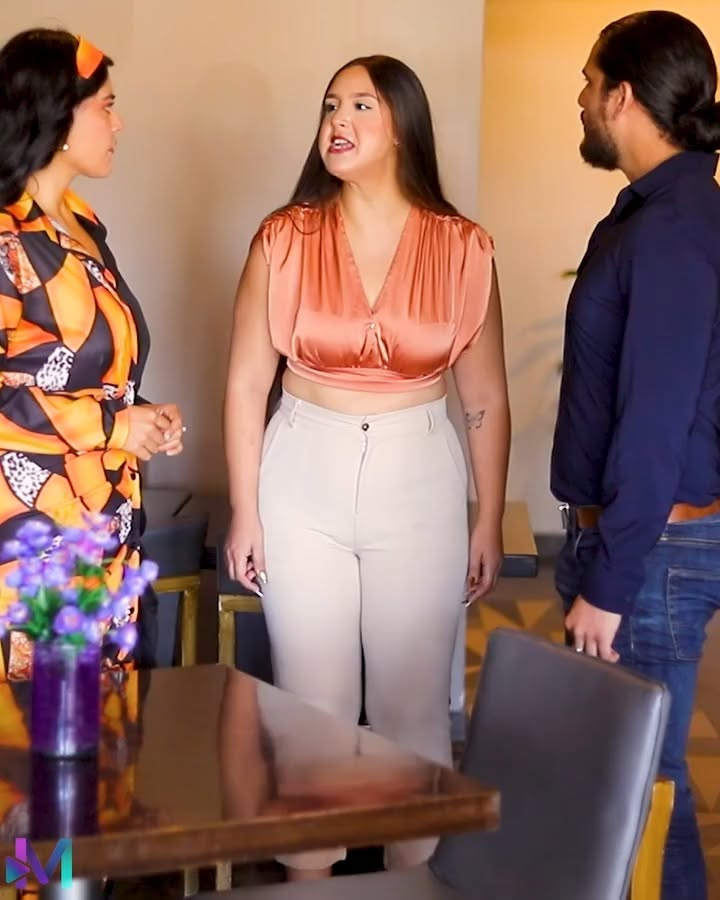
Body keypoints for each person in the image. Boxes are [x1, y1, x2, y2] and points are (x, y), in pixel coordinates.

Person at [224, 53, 510, 879]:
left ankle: (410, 884)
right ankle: (310, 880)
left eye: (360, 106)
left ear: (403, 127)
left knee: (410, 707)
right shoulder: (283, 238)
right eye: (329, 107)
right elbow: (245, 384)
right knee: (309, 707)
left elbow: (486, 399)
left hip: (418, 472)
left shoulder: (464, 248)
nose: (337, 122)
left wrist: (488, 517)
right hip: (300, 470)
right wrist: (245, 508)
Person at [551, 11, 720, 899]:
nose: (579, 99)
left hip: (649, 555)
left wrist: (610, 582)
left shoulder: (673, 228)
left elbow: (657, 420)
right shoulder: (658, 213)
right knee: (622, 786)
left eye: (589, 82)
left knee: (647, 790)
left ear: (622, 96)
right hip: (635, 544)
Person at [0, 28, 184, 680]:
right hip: (33, 531)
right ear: (55, 114)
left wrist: (142, 418)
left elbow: (93, 375)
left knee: (108, 716)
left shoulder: (82, 225)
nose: (119, 122)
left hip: (107, 518)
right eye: (106, 105)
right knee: (38, 717)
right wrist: (114, 426)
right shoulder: (6, 237)